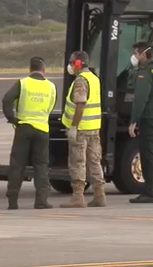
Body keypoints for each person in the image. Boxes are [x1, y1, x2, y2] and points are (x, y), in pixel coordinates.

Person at [2, 56, 56, 210]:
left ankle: (12, 201)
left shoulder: (23, 83)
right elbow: (51, 106)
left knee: (17, 165)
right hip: (42, 130)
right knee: (41, 166)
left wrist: (12, 118)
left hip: (24, 128)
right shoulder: (51, 86)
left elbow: (6, 100)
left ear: (30, 69)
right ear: (43, 70)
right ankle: (41, 200)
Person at [60, 50, 106, 208]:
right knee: (95, 162)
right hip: (94, 128)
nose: (71, 65)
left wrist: (73, 126)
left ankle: (78, 196)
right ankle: (100, 194)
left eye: (72, 62)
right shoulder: (94, 78)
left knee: (78, 162)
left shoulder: (80, 80)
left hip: (81, 129)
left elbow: (80, 103)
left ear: (78, 63)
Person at [128, 41, 153, 204]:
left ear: (143, 54)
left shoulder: (144, 72)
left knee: (148, 156)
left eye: (136, 54)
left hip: (148, 118)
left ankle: (149, 193)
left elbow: (140, 99)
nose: (135, 57)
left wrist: (134, 120)